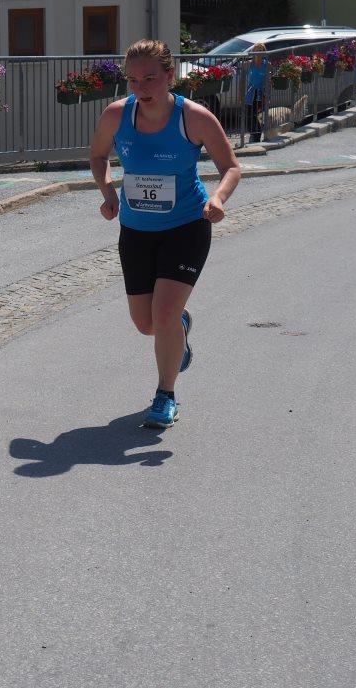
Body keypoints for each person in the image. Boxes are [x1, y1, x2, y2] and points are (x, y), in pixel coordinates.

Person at [90, 39, 241, 429]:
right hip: (136, 230)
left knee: (164, 313)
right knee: (147, 324)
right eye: (133, 80)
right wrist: (108, 192)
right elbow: (98, 155)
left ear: (170, 76)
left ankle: (165, 396)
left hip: (186, 227)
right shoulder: (116, 115)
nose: (141, 88)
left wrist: (219, 199)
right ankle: (179, 327)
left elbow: (230, 166)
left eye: (150, 79)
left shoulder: (194, 117)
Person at [244, 42, 268, 143]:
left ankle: (257, 135)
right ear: (253, 51)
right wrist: (240, 93)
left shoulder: (267, 64)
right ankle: (253, 134)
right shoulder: (249, 63)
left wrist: (268, 92)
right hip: (250, 92)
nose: (259, 51)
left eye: (262, 50)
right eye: (258, 49)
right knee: (248, 115)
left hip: (260, 93)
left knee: (257, 115)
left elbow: (269, 78)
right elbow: (241, 78)